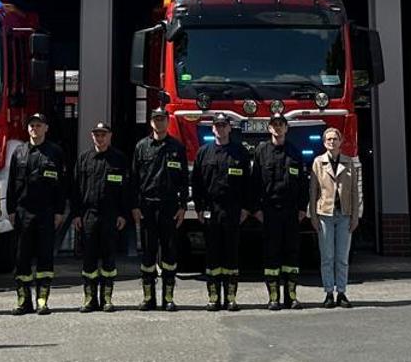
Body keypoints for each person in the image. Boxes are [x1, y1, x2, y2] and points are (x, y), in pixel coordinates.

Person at [6, 113, 68, 315]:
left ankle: (42, 300)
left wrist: (59, 211)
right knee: (21, 258)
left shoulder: (55, 152)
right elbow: (11, 184)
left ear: (46, 128)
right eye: (32, 125)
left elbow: (61, 185)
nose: (35, 128)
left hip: (47, 212)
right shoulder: (19, 152)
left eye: (39, 125)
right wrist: (11, 210)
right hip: (24, 212)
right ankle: (23, 301)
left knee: (44, 258)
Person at [130, 107, 188, 311]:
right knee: (147, 255)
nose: (159, 123)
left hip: (169, 208)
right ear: (151, 122)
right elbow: (134, 180)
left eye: (162, 119)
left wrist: (183, 206)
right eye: (155, 119)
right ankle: (148, 298)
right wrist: (135, 207)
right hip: (147, 207)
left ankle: (168, 298)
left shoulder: (177, 148)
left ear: (167, 122)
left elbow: (183, 180)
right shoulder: (141, 147)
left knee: (169, 254)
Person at [192, 114, 252, 311]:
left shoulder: (240, 153)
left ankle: (231, 297)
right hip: (211, 210)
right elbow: (197, 183)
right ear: (212, 129)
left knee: (232, 254)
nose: (220, 128)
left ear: (229, 128)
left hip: (233, 210)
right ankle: (213, 297)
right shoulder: (204, 152)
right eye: (217, 125)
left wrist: (245, 207)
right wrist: (199, 208)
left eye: (223, 125)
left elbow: (247, 184)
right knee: (212, 255)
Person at [70, 122, 130, 312]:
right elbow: (75, 189)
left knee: (109, 259)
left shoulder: (119, 159)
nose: (100, 138)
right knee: (89, 259)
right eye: (97, 134)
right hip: (89, 215)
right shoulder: (84, 158)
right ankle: (89, 298)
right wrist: (76, 214)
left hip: (111, 215)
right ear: (92, 136)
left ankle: (107, 298)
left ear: (110, 136)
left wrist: (123, 213)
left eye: (103, 134)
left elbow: (125, 189)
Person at [252, 114, 309, 310]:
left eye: (281, 125)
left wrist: (303, 208)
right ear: (269, 129)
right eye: (274, 125)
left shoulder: (294, 152)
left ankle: (291, 296)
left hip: (291, 211)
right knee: (271, 254)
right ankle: (273, 297)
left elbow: (303, 183)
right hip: (270, 212)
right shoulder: (261, 151)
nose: (277, 128)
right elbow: (254, 182)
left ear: (286, 128)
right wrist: (256, 209)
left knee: (291, 254)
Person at [309, 127, 361, 308]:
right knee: (327, 256)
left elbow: (355, 191)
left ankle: (342, 292)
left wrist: (356, 216)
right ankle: (329, 292)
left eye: (335, 139)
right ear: (324, 143)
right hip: (325, 215)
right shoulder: (318, 162)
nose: (332, 142)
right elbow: (313, 191)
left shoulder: (348, 163)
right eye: (329, 139)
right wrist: (313, 216)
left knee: (342, 257)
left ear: (340, 141)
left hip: (345, 215)